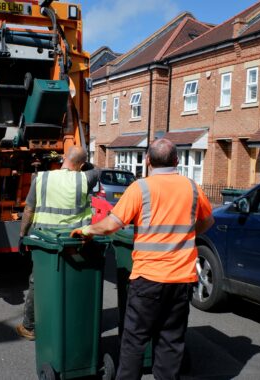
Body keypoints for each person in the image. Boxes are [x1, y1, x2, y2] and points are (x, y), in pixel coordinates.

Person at [71, 138, 214, 380]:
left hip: (148, 279)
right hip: (180, 280)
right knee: (171, 342)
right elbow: (208, 221)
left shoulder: (141, 188)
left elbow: (111, 225)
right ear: (177, 161)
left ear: (147, 161)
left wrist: (86, 230)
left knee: (134, 341)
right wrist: (186, 234)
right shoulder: (192, 188)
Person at [15, 146, 98, 341]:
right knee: (74, 281)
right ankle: (73, 323)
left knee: (39, 282)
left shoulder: (41, 178)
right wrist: (84, 165)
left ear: (63, 158)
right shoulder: (87, 178)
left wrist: (22, 234)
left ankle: (30, 326)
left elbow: (29, 210)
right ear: (82, 164)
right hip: (76, 241)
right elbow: (96, 169)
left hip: (47, 242)